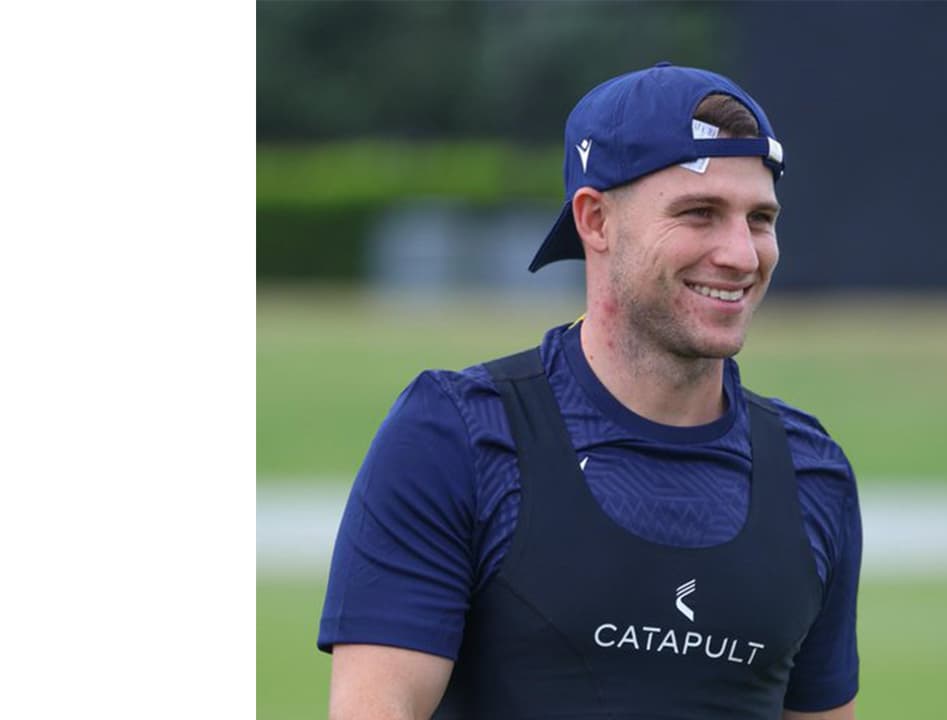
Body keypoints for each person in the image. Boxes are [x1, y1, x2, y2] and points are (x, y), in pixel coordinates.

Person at [319, 62, 862, 719]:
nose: (742, 255)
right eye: (700, 213)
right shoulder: (457, 437)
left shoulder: (811, 473)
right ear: (595, 220)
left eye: (759, 218)